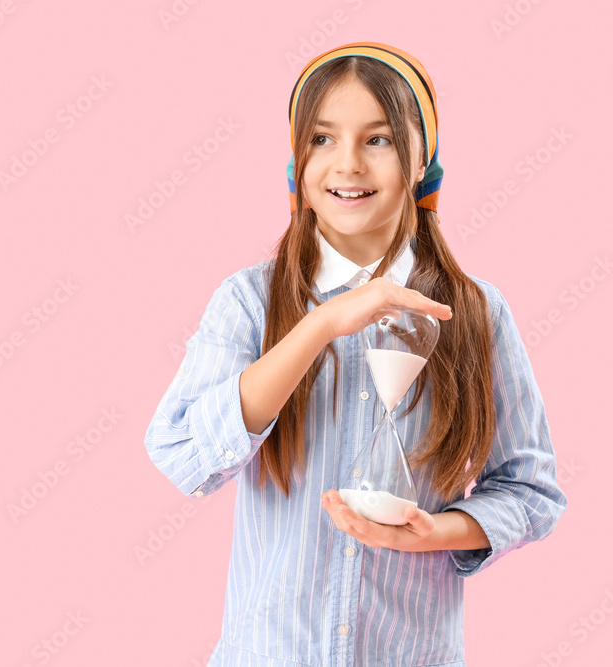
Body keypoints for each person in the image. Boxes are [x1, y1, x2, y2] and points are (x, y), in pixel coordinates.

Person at [143, 42, 567, 667]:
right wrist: (319, 325)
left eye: (379, 140)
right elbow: (183, 456)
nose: (348, 164)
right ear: (297, 159)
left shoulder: (475, 314)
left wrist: (438, 532)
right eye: (321, 139)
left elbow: (531, 492)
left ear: (422, 159)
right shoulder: (249, 302)